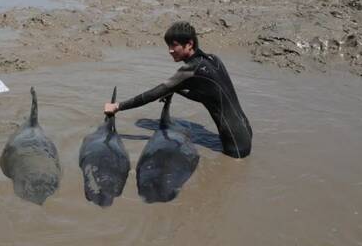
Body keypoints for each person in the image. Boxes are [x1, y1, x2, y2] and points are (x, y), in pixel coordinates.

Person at [104, 21, 252, 158]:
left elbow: (152, 94)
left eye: (174, 45)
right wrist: (176, 90)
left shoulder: (190, 70)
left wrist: (117, 106)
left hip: (233, 143)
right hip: (245, 130)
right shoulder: (213, 59)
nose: (170, 50)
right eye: (168, 46)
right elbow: (208, 96)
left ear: (189, 44)